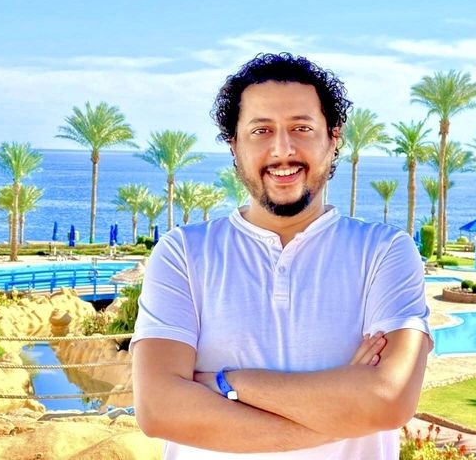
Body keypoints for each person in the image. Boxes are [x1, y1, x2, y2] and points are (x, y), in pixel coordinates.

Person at [131, 53, 433, 459]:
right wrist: (346, 411)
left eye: (301, 128)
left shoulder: (384, 251)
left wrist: (228, 383)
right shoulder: (183, 253)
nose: (282, 149)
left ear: (333, 138)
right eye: (261, 130)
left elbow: (388, 401)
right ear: (234, 145)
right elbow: (159, 410)